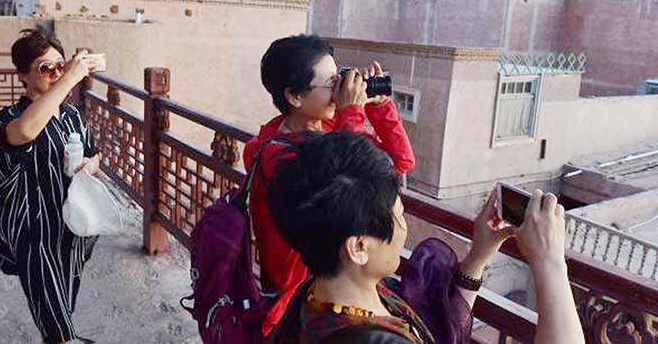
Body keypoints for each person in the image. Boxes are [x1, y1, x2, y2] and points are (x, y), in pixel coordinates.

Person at [266, 132, 584, 344]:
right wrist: (550, 263)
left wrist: (480, 254)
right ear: (359, 247)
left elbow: (438, 329)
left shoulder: (318, 295)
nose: (404, 229)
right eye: (400, 215)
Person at [243, 35, 416, 333]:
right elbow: (342, 189)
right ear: (294, 96)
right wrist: (351, 113)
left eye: (341, 78)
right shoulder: (275, 151)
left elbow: (401, 162)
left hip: (334, 280)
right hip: (298, 297)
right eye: (331, 84)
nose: (340, 91)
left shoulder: (327, 131)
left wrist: (380, 106)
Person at [0, 26, 101, 344]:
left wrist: (90, 165)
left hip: (73, 223)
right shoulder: (9, 117)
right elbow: (24, 133)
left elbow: (95, 155)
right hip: (33, 229)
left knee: (62, 301)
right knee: (52, 315)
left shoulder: (72, 116)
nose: (55, 72)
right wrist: (70, 79)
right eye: (44, 67)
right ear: (23, 75)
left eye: (60, 65)